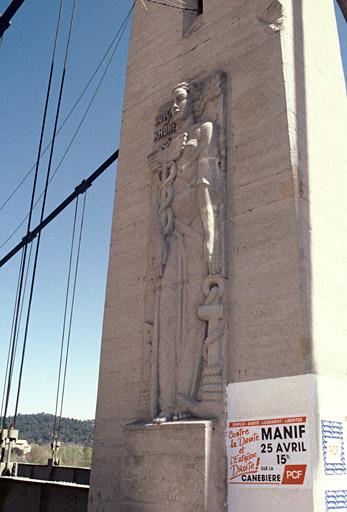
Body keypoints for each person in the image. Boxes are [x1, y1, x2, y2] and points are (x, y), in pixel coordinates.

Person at [149, 81, 222, 422]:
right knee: (167, 320)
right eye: (173, 101)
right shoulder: (167, 148)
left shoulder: (205, 130)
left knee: (193, 318)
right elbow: (162, 197)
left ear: (194, 101)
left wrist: (210, 237)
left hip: (194, 233)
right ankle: (166, 405)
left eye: (182, 100)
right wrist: (160, 239)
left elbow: (207, 185)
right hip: (172, 235)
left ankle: (184, 400)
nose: (176, 106)